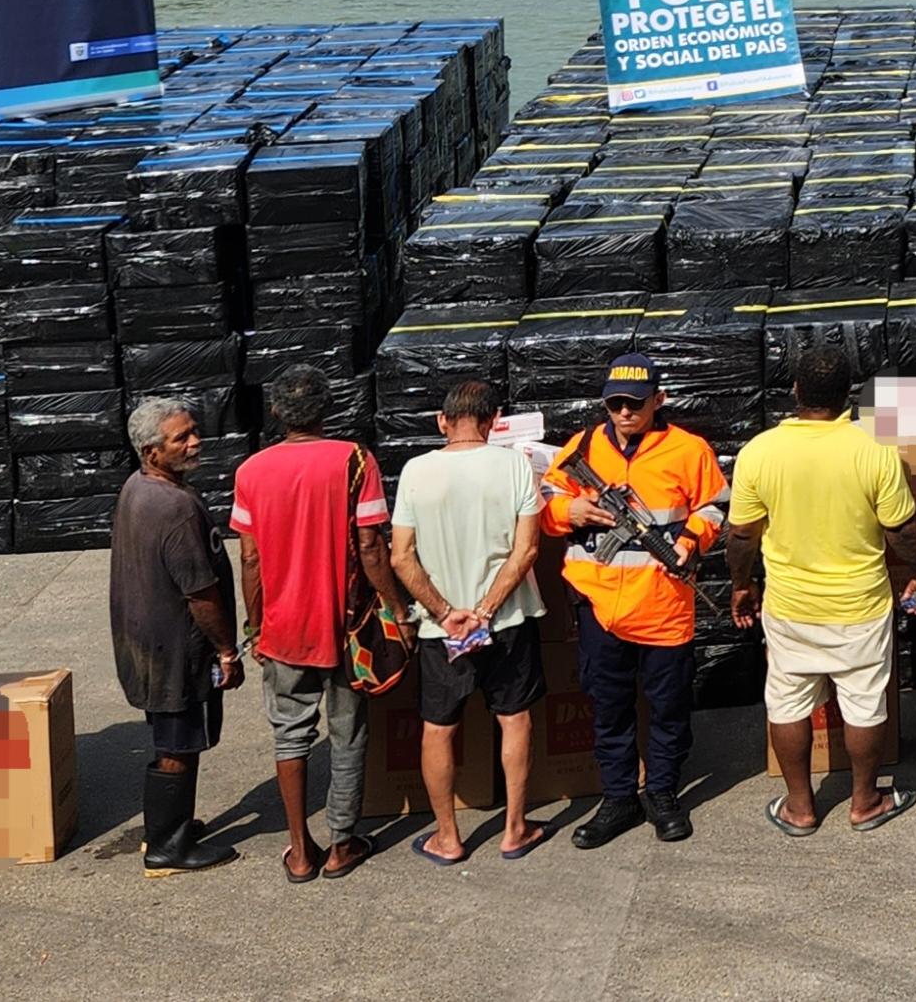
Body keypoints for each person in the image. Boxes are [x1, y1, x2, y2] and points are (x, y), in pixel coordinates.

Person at [727, 348, 916, 836]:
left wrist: (740, 585)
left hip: (791, 607)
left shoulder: (759, 451)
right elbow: (900, 529)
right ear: (848, 397)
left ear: (795, 391)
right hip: (859, 606)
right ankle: (864, 802)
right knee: (864, 704)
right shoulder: (875, 448)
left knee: (788, 703)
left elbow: (741, 537)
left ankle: (800, 808)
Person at [542, 353, 728, 848]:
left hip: (665, 604)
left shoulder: (688, 450)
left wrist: (690, 541)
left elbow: (717, 504)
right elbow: (542, 499)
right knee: (610, 707)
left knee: (668, 707)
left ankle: (663, 793)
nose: (624, 413)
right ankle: (619, 797)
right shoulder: (582, 447)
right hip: (599, 604)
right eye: (615, 404)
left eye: (635, 404)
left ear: (658, 400)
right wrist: (570, 509)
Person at [234, 364, 403, 882]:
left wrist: (255, 626)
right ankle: (341, 844)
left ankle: (299, 851)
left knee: (290, 737)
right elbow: (371, 546)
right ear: (327, 409)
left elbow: (250, 558)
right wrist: (395, 609)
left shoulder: (251, 471)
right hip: (347, 626)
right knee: (347, 734)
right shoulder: (354, 460)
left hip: (283, 630)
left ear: (277, 412)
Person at [387, 379, 551, 865]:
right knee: (514, 717)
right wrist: (485, 610)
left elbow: (401, 557)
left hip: (444, 631)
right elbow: (527, 550)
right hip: (508, 620)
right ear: (493, 420)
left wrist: (443, 611)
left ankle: (447, 835)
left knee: (438, 728)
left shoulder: (416, 471)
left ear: (443, 421)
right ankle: (515, 828)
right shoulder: (514, 466)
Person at [111, 396, 244, 877]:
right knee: (179, 744)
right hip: (176, 652)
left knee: (172, 739)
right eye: (181, 438)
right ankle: (167, 847)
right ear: (151, 452)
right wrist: (227, 650)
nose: (195, 442)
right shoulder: (175, 509)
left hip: (147, 645)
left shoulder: (137, 488)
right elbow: (201, 594)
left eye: (193, 431)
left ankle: (172, 825)